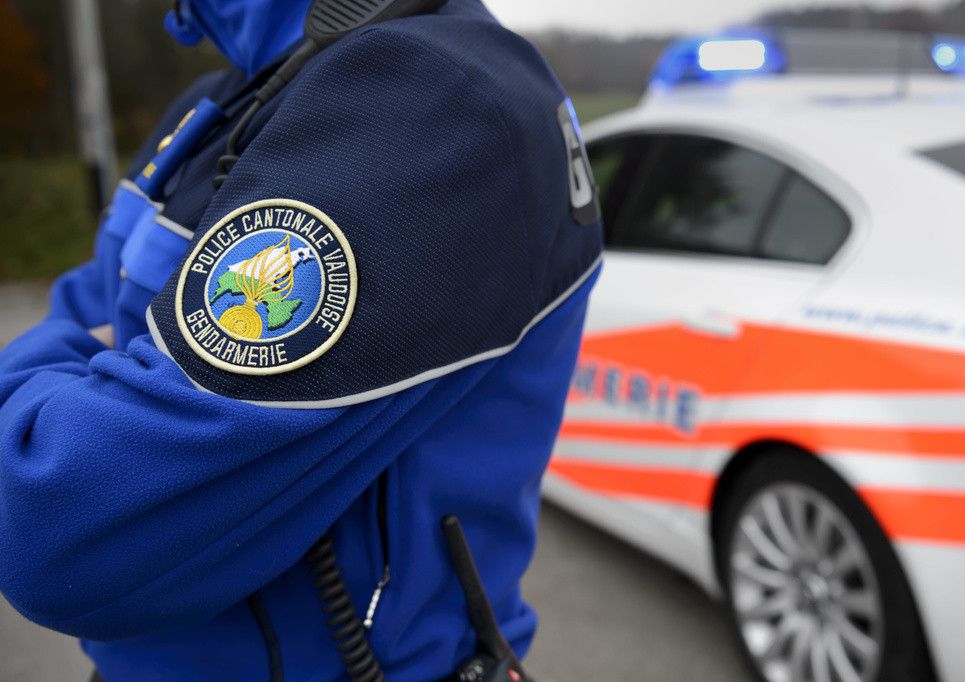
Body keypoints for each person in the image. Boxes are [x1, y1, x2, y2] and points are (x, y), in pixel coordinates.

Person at [0, 0, 602, 680]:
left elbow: (58, 528)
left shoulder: (424, 95)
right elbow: (83, 307)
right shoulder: (222, 103)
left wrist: (73, 373)